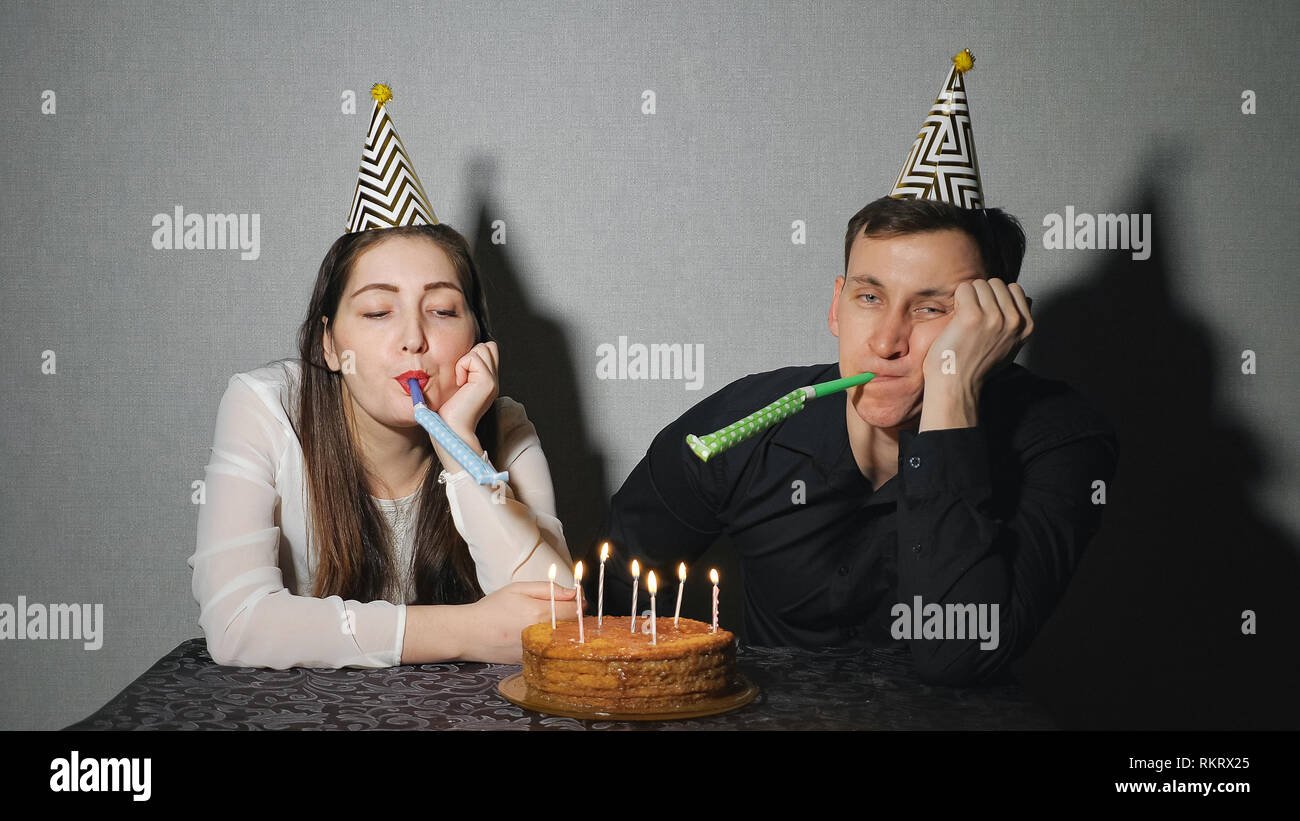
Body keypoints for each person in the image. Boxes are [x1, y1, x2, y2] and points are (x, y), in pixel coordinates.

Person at [601, 52, 1118, 686]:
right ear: (836, 305)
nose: (886, 341)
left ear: (996, 323)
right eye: (869, 297)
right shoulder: (742, 427)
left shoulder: (1061, 441)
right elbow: (604, 599)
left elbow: (957, 656)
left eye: (932, 308)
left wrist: (951, 399)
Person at [188, 85, 573, 669]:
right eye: (376, 312)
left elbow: (558, 617)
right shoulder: (264, 408)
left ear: (476, 337)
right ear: (330, 344)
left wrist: (459, 445)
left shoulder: (504, 426)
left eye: (442, 310)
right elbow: (237, 621)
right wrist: (466, 631)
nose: (413, 337)